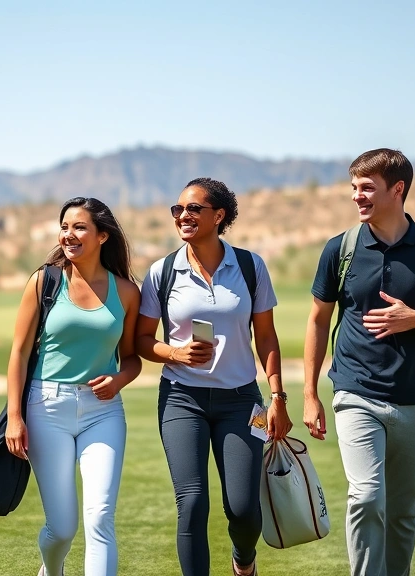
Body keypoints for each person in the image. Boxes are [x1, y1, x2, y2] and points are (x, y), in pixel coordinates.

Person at [302, 149, 415, 576]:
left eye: (367, 188)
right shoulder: (339, 249)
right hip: (356, 392)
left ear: (397, 190)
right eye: (353, 188)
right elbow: (317, 319)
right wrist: (309, 393)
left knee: (402, 510)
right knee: (366, 497)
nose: (356, 197)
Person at [135, 178, 289, 576]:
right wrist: (175, 352)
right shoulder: (163, 271)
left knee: (243, 509)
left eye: (192, 209)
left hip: (243, 402)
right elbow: (140, 340)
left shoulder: (251, 267)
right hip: (181, 399)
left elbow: (267, 336)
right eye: (177, 209)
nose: (182, 216)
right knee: (191, 501)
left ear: (218, 216)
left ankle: (244, 560)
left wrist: (278, 398)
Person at [5, 197, 141, 576]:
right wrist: (15, 417)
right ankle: (51, 571)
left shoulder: (127, 292)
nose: (69, 234)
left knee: (100, 518)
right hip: (46, 408)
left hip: (104, 413)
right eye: (65, 227)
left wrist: (118, 380)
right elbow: (17, 353)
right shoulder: (43, 281)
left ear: (102, 236)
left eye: (79, 227)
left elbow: (132, 360)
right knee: (62, 529)